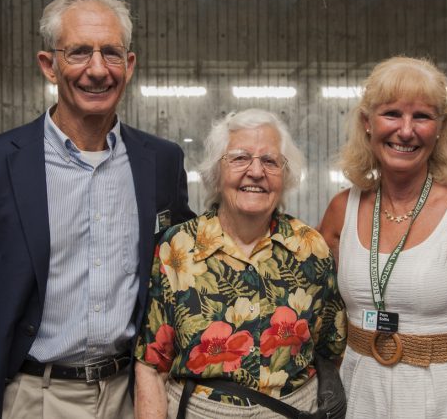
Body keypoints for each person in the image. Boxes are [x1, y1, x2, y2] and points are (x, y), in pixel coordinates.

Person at [0, 0, 194, 419]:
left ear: (129, 65)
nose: (97, 69)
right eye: (79, 52)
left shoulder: (162, 163)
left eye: (111, 53)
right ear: (49, 65)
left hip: (130, 395)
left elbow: (180, 276)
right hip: (30, 398)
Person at [318, 56, 447, 418]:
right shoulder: (341, 210)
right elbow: (321, 323)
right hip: (362, 396)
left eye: (422, 117)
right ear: (367, 122)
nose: (406, 130)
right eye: (392, 114)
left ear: (440, 128)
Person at [133, 109, 346, 418]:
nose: (256, 172)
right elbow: (152, 366)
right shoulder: (177, 247)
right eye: (240, 158)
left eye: (270, 161)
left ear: (285, 175)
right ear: (216, 172)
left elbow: (331, 350)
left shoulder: (310, 247)